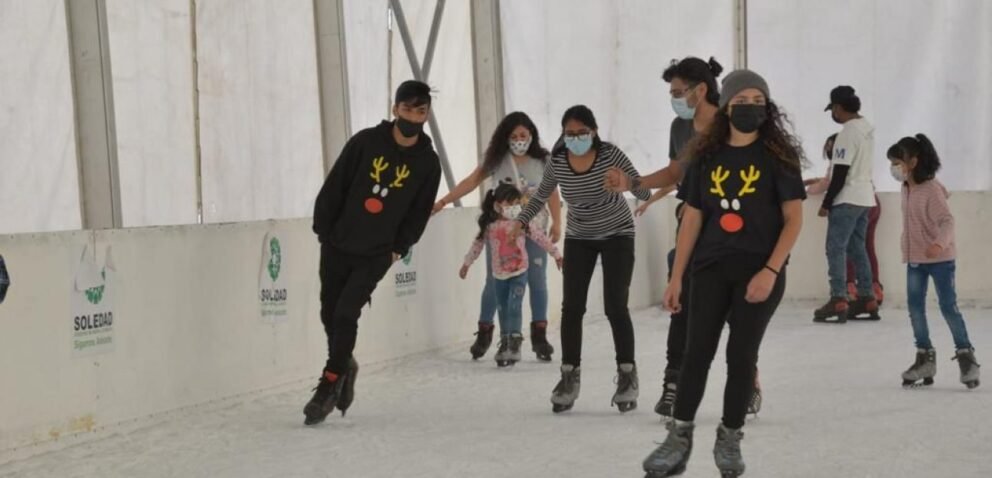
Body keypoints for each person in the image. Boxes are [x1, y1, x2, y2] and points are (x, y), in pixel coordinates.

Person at [641, 70, 806, 477]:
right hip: (709, 269)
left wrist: (770, 269)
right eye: (742, 100)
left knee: (741, 356)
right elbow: (692, 219)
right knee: (696, 352)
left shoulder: (778, 157)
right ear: (727, 106)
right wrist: (676, 277)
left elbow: (793, 220)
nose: (750, 107)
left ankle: (730, 436)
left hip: (759, 272)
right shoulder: (705, 155)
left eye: (758, 101)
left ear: (767, 107)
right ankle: (679, 436)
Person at [304, 80, 442, 426]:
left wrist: (398, 248)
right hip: (338, 244)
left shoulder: (428, 163)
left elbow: (419, 212)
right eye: (407, 109)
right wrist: (324, 231)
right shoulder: (365, 142)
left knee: (346, 313)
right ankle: (344, 364)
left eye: (420, 111)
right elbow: (336, 185)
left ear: (427, 115)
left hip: (377, 253)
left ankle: (329, 383)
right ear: (395, 109)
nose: (413, 116)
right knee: (329, 311)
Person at [512, 105, 651, 414]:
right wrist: (521, 221)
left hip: (617, 234)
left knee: (615, 305)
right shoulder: (558, 161)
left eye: (581, 133)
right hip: (580, 237)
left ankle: (627, 375)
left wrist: (626, 182)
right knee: (572, 307)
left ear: (594, 132)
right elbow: (541, 195)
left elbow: (645, 191)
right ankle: (569, 376)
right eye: (569, 134)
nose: (575, 139)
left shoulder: (610, 155)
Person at [433, 112, 562, 362]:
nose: (519, 140)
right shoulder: (496, 160)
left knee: (537, 280)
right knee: (494, 282)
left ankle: (539, 336)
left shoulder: (544, 161)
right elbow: (471, 181)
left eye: (523, 135)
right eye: (514, 136)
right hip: (502, 233)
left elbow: (552, 192)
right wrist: (444, 201)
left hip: (533, 229)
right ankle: (485, 331)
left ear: (532, 135)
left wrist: (557, 222)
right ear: (505, 137)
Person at [887, 135, 980, 389]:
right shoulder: (906, 187)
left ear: (913, 162)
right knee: (915, 308)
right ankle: (924, 357)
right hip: (915, 259)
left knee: (948, 306)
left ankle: (966, 357)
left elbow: (947, 221)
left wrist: (939, 244)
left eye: (897, 163)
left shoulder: (931, 190)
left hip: (941, 260)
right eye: (892, 163)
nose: (893, 168)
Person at [460, 184, 562, 367]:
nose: (515, 207)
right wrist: (467, 263)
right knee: (503, 309)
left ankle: (515, 343)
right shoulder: (490, 226)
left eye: (518, 204)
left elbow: (540, 238)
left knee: (514, 305)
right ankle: (505, 342)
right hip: (499, 275)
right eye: (511, 203)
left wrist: (556, 255)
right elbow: (477, 245)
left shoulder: (523, 223)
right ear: (498, 204)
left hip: (519, 272)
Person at [813, 86, 880, 323]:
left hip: (847, 198)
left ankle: (838, 298)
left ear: (839, 108)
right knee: (857, 248)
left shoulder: (847, 133)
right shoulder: (867, 129)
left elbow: (840, 173)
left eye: (833, 109)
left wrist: (826, 203)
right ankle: (867, 297)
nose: (833, 114)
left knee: (835, 248)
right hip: (865, 197)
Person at [806, 134, 884, 306]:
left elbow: (829, 183)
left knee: (841, 248)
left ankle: (846, 290)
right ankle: (873, 289)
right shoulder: (858, 159)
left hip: (849, 204)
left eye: (830, 146)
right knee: (865, 247)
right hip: (871, 202)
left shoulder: (839, 160)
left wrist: (812, 190)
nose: (829, 149)